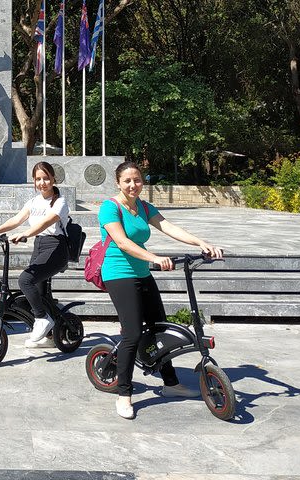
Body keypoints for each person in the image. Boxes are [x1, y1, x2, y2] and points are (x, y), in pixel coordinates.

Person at [100, 161, 223, 419]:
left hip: (142, 274)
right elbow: (122, 242)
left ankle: (170, 384)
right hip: (119, 274)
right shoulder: (109, 207)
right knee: (132, 334)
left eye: (138, 180)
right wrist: (154, 258)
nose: (133, 185)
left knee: (160, 328)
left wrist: (201, 242)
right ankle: (124, 394)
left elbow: (168, 227)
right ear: (118, 183)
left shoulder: (144, 207)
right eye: (127, 181)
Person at [0, 161, 69, 348]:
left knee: (25, 280)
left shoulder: (60, 202)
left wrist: (25, 233)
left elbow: (48, 222)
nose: (42, 182)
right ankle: (49, 337)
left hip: (56, 247)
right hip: (39, 246)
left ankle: (42, 319)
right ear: (33, 181)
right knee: (38, 293)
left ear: (53, 178)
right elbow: (17, 219)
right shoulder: (33, 202)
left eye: (46, 178)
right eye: (38, 179)